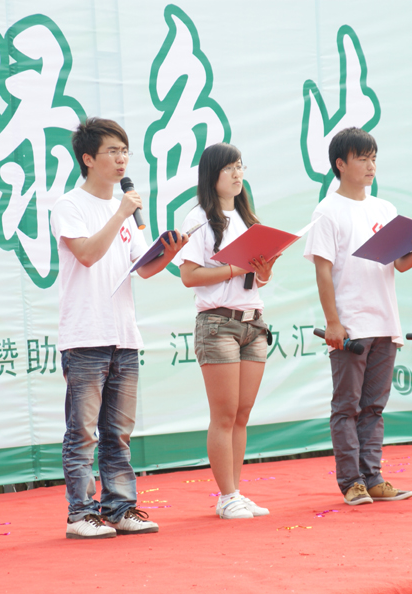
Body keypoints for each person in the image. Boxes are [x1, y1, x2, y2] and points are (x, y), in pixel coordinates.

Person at [50, 117, 188, 539]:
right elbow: (88, 254)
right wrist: (121, 212)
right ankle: (80, 514)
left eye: (125, 151)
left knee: (118, 433)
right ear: (88, 158)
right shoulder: (70, 205)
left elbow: (142, 269)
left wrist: (168, 252)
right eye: (112, 151)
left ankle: (120, 508)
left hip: (124, 335)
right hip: (85, 335)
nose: (122, 159)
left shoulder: (122, 208)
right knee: (82, 433)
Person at [303, 127, 412, 506]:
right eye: (362, 158)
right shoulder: (327, 211)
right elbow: (323, 271)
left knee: (374, 407)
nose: (371, 165)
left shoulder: (384, 209)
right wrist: (333, 321)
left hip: (385, 321)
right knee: (347, 406)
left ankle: (373, 477)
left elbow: (401, 264)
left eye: (374, 158)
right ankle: (351, 482)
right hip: (351, 325)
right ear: (340, 164)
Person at [177, 143, 279, 520]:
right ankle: (227, 496)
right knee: (223, 414)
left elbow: (259, 279)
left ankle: (235, 491)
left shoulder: (247, 218)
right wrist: (236, 268)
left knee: (242, 413)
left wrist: (263, 269)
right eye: (229, 168)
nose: (237, 174)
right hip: (218, 323)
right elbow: (189, 276)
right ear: (212, 175)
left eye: (240, 166)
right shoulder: (198, 219)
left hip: (253, 322)